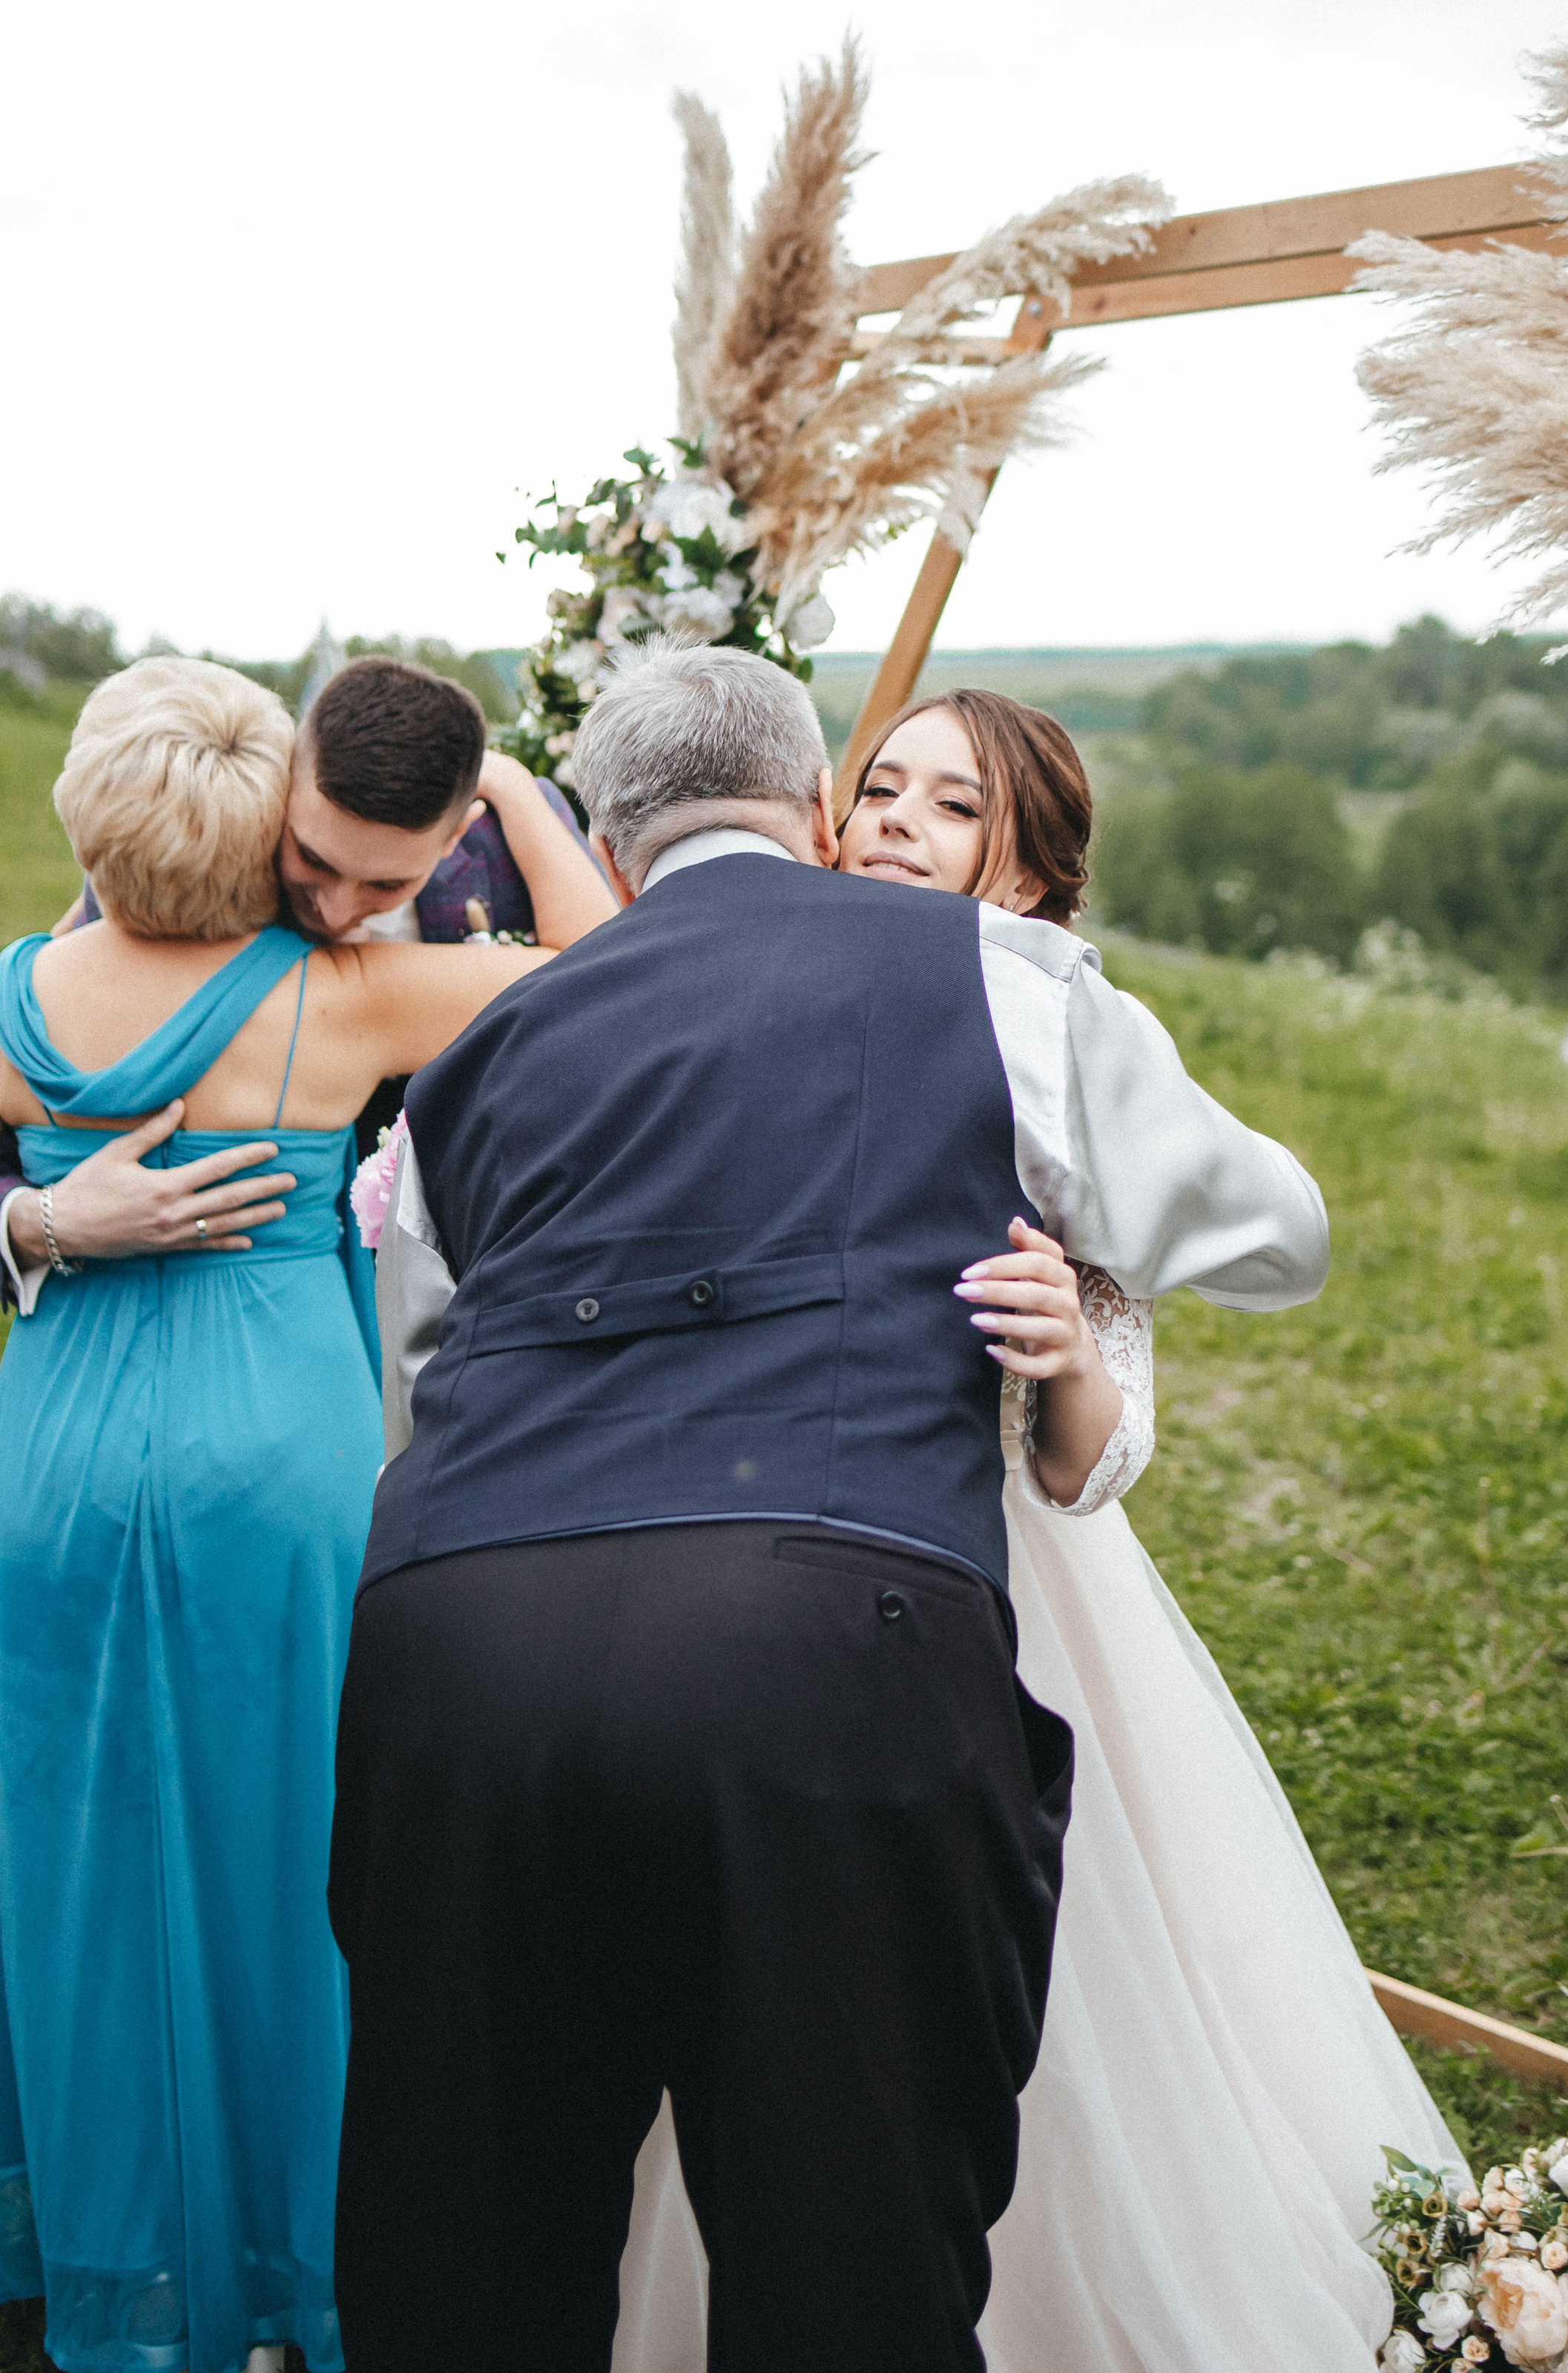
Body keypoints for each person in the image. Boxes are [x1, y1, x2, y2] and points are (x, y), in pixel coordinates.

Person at [335, 642, 1331, 2373]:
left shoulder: (475, 1053)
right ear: (814, 808)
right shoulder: (992, 985)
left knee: (468, 2261)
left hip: (462, 1658)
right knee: (842, 2257)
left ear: (608, 847)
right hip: (823, 1647)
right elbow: (1275, 1230)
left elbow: (423, 1386)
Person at [605, 689, 1466, 2373]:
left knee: (1012, 1989)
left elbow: (1098, 1455)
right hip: (732, 1545)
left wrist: (1065, 1346)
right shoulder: (744, 988)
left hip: (987, 1581)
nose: (895, 822)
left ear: (1024, 874)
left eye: (952, 805)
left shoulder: (1027, 1022)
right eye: (879, 787)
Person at [0, 655, 613, 2373]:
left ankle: (105, 2252)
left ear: (91, 819)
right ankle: (288, 2259)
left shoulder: (18, 994)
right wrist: (511, 793)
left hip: (49, 1461)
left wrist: (38, 1224)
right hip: (275, 1464)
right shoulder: (344, 997)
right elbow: (613, 970)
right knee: (293, 1847)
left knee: (71, 1840)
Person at [0, 651, 606, 1300]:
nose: (337, 910)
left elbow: (615, 988)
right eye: (312, 860)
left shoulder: (517, 836)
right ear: (286, 786)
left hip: (481, 1279)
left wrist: (514, 787)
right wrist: (36, 1224)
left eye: (387, 884)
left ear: (457, 833)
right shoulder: (195, 860)